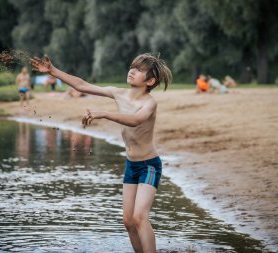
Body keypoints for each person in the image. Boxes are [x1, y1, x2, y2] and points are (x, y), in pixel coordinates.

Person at [30, 53, 172, 252]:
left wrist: (104, 113)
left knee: (140, 217)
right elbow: (82, 85)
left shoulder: (149, 103)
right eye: (132, 67)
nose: (132, 71)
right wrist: (53, 71)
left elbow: (136, 120)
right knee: (128, 221)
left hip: (149, 165)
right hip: (131, 165)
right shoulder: (118, 93)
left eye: (139, 70)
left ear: (150, 80)